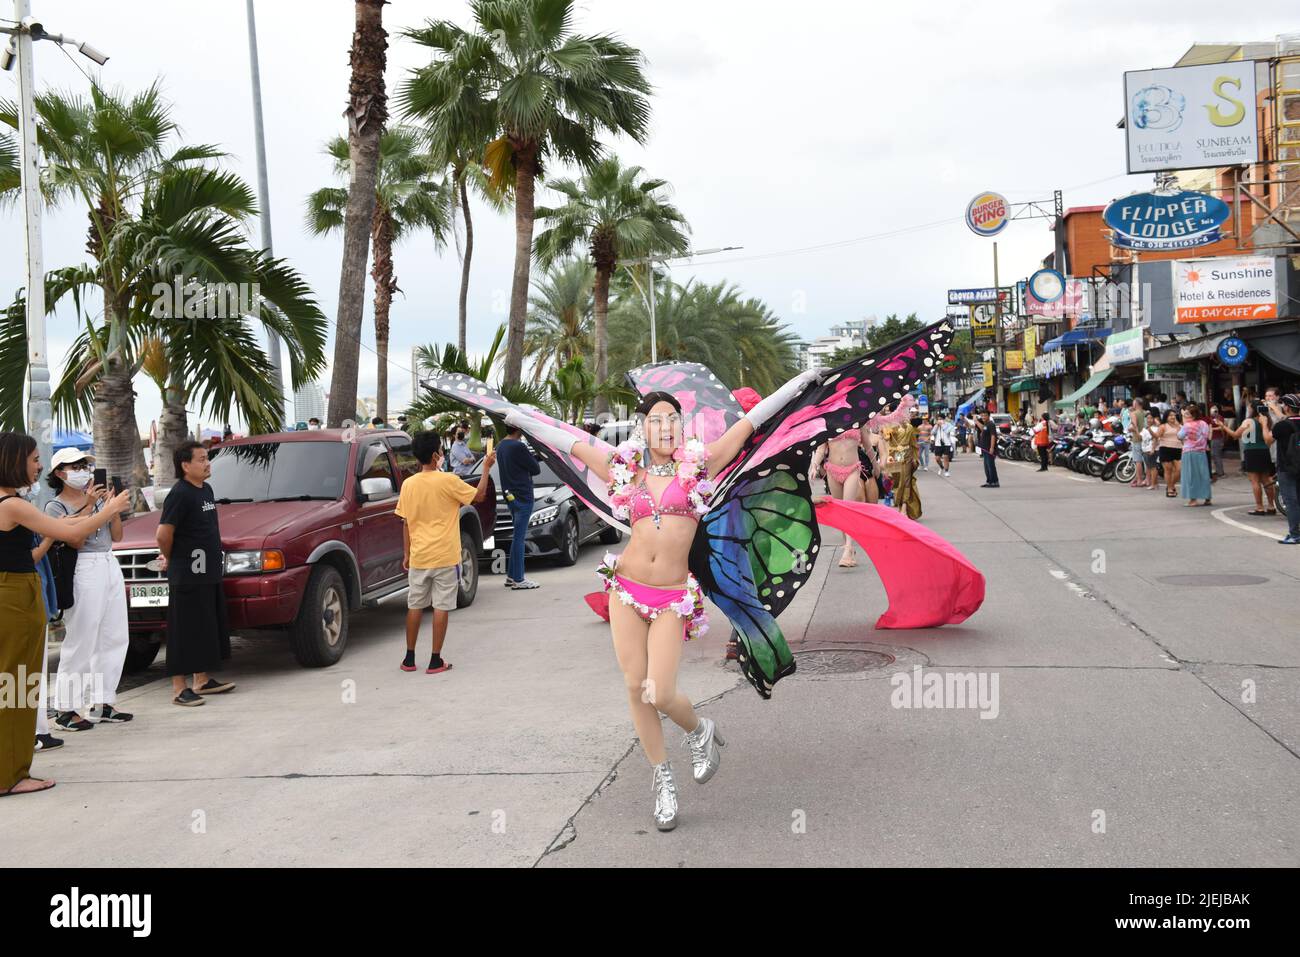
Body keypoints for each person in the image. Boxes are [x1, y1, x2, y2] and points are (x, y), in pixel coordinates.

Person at [503, 369, 820, 831]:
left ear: (682, 426)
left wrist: (800, 383)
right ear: (642, 428)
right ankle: (662, 777)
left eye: (673, 418)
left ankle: (699, 730)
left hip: (672, 595)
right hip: (626, 588)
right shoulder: (623, 466)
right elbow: (566, 441)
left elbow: (751, 422)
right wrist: (518, 416)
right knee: (635, 688)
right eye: (655, 420)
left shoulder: (702, 462)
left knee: (662, 690)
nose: (665, 427)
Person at [0, 433, 130, 796]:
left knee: (17, 682)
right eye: (33, 459)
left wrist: (95, 510)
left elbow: (65, 529)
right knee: (18, 682)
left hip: (17, 587)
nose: (38, 466)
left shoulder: (13, 504)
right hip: (13, 593)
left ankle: (12, 768)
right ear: (13, 461)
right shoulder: (10, 504)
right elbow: (65, 531)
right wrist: (106, 510)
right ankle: (10, 774)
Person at [38, 449, 132, 732]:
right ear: (59, 473)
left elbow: (116, 536)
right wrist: (94, 507)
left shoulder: (99, 500)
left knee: (114, 634)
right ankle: (66, 708)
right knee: (82, 637)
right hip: (82, 567)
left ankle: (103, 701)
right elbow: (76, 540)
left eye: (84, 465)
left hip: (108, 562)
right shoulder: (56, 507)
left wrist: (111, 507)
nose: (82, 471)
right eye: (74, 466)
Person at [396, 432, 496, 674]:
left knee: (415, 605)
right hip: (445, 556)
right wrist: (486, 468)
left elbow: (406, 523)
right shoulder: (448, 481)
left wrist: (407, 555)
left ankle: (409, 659)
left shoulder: (408, 484)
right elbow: (479, 496)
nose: (442, 454)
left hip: (419, 557)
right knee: (441, 606)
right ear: (434, 455)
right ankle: (435, 660)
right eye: (440, 450)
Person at [156, 442, 236, 707]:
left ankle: (201, 679)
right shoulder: (179, 494)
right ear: (185, 465)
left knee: (206, 626)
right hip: (187, 573)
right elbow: (163, 533)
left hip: (207, 572)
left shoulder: (206, 489)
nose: (207, 463)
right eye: (201, 459)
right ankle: (179, 689)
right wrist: (170, 557)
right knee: (184, 630)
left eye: (207, 458)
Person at [811, 411, 884, 566]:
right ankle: (848, 546)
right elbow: (820, 449)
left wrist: (876, 465)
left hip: (852, 469)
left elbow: (867, 445)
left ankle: (848, 548)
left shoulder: (858, 420)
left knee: (847, 508)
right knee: (840, 511)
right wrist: (814, 465)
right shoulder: (827, 421)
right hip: (832, 470)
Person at [496, 425, 541, 590]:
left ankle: (511, 576)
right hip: (523, 495)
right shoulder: (519, 446)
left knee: (517, 535)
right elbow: (535, 469)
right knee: (519, 538)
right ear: (519, 428)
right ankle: (519, 579)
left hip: (510, 495)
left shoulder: (501, 445)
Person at [1225, 401, 1277, 515]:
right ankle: (1271, 505)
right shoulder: (1267, 421)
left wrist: (1223, 426)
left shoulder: (1248, 421)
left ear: (1252, 409)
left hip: (1251, 451)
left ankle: (1259, 507)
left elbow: (1235, 435)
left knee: (1255, 481)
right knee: (1266, 480)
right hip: (1264, 451)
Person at [1271, 393, 1300, 544]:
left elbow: (1268, 439)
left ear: (1287, 408)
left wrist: (1264, 423)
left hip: (1286, 467)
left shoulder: (1281, 425)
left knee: (1291, 501)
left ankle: (1295, 534)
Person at [884, 409, 922, 519]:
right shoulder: (889, 426)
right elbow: (885, 440)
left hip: (907, 455)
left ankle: (904, 507)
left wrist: (915, 458)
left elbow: (914, 444)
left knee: (906, 481)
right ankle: (899, 506)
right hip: (894, 456)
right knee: (896, 482)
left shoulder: (909, 427)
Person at [1177, 404, 1213, 507]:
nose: (1186, 415)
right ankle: (1207, 498)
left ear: (1192, 415)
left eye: (1187, 413)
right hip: (1201, 451)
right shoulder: (1203, 423)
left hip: (1189, 451)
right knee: (1203, 474)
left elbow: (1180, 436)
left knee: (1190, 475)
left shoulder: (1187, 425)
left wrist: (1184, 422)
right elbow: (1206, 436)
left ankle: (1193, 499)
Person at [1155, 409, 1183, 498]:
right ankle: (1170, 489)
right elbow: (1157, 436)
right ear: (1166, 417)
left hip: (1178, 448)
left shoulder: (1179, 425)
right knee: (1168, 470)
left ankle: (1171, 486)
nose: (1173, 417)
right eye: (1170, 415)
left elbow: (1182, 437)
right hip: (1165, 448)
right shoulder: (1163, 426)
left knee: (1179, 470)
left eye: (1174, 415)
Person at [1128, 398, 1148, 488]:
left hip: (1137, 439)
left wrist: (1136, 432)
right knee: (1147, 461)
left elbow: (1134, 425)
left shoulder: (1134, 413)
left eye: (1133, 403)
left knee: (1138, 461)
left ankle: (1139, 480)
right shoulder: (1145, 413)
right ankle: (1147, 480)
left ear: (1136, 404)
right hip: (1146, 439)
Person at [978, 410, 999, 488]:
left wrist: (992, 447)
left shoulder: (991, 424)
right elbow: (982, 429)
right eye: (982, 415)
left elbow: (993, 436)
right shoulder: (986, 424)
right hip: (984, 449)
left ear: (988, 416)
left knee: (991, 466)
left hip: (989, 449)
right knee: (986, 466)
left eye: (985, 415)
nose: (983, 417)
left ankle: (994, 482)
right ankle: (989, 481)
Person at [1139, 414, 1160, 490]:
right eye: (1147, 418)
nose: (1149, 420)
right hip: (1145, 450)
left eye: (1151, 418)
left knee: (1153, 468)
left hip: (1151, 450)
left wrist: (1153, 449)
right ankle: (1156, 484)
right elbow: (1140, 437)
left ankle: (1153, 484)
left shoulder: (1155, 428)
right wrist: (1135, 430)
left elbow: (1155, 439)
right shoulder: (1145, 429)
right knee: (1151, 467)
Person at [932, 413, 956, 477]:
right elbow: (932, 432)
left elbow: (947, 431)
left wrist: (942, 425)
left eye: (941, 419)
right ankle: (941, 467)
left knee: (946, 457)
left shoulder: (949, 425)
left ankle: (946, 471)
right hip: (938, 443)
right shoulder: (936, 425)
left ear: (944, 419)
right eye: (938, 419)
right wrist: (936, 426)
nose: (939, 421)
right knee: (937, 458)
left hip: (947, 443)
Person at [1208, 404, 1227, 479]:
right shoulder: (1210, 418)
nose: (1214, 410)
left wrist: (1212, 429)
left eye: (1215, 409)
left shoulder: (1219, 417)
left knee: (1217, 455)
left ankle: (1221, 473)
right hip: (1212, 438)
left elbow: (1222, 427)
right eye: (1212, 409)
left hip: (1218, 438)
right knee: (1214, 455)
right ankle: (1218, 470)